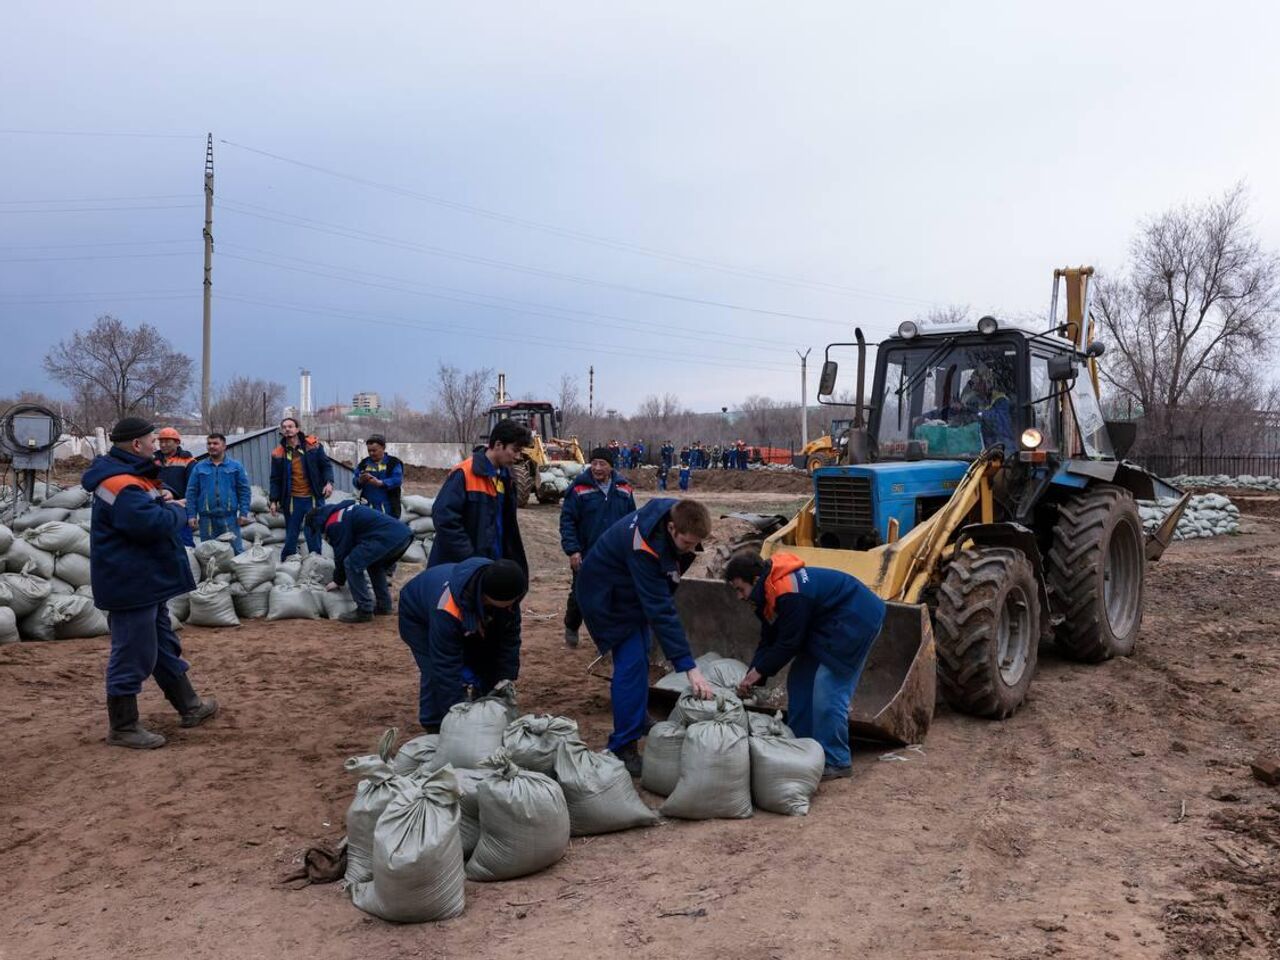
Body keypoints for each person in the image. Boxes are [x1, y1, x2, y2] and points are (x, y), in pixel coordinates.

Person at [82, 417, 218, 749]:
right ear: (136, 445)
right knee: (133, 653)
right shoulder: (120, 484)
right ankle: (123, 726)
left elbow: (144, 511)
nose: (156, 445)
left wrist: (160, 497)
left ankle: (190, 705)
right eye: (151, 440)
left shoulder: (128, 478)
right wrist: (177, 511)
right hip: (131, 582)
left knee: (161, 646)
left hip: (143, 579)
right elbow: (149, 525)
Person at [576, 498, 715, 774]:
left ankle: (638, 719)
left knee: (641, 652)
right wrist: (688, 667)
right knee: (631, 665)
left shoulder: (674, 514)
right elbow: (661, 609)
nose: (690, 549)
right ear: (672, 528)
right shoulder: (644, 545)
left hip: (629, 590)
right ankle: (623, 747)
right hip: (607, 598)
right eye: (687, 543)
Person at [724, 549, 886, 780]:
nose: (739, 596)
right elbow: (769, 638)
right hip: (826, 622)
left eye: (740, 589)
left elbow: (789, 643)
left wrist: (758, 672)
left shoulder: (789, 593)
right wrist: (754, 673)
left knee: (826, 691)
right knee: (799, 682)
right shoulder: (767, 593)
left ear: (756, 580)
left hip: (855, 619)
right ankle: (800, 747)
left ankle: (836, 760)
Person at [398, 557, 526, 731]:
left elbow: (509, 641)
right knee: (433, 669)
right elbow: (445, 665)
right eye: (507, 604)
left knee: (484, 658)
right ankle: (434, 724)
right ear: (487, 598)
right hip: (418, 617)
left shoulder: (508, 596)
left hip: (463, 609)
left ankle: (485, 703)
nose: (512, 607)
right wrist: (457, 714)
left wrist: (503, 680)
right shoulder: (447, 607)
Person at [558, 447, 637, 648]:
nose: (597, 468)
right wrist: (573, 550)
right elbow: (567, 521)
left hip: (616, 555)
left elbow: (632, 520)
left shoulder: (624, 489)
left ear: (611, 467)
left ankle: (606, 638)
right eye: (594, 463)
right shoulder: (578, 489)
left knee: (613, 596)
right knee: (580, 594)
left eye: (602, 464)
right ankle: (571, 625)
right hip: (587, 553)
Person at [429, 418, 530, 572]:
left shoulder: (507, 478)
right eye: (515, 450)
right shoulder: (464, 473)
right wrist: (470, 558)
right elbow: (444, 519)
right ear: (498, 445)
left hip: (491, 565)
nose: (518, 457)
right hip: (461, 568)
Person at [308, 501, 414, 622]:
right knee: (374, 565)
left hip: (387, 537)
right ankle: (384, 606)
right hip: (403, 536)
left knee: (351, 563)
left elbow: (342, 553)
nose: (321, 533)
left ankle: (364, 610)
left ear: (318, 521)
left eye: (317, 530)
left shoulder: (334, 522)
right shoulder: (341, 513)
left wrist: (338, 581)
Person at [269, 417, 334, 559]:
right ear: (282, 431)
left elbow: (326, 466)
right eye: (284, 427)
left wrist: (329, 482)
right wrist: (273, 500)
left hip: (313, 497)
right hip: (292, 500)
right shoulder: (278, 453)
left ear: (297, 429)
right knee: (292, 532)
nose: (287, 429)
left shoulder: (313, 446)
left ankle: (315, 561)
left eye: (290, 426)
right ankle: (288, 560)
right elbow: (275, 479)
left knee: (313, 530)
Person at [185, 432, 252, 553]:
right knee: (208, 554)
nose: (211, 446)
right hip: (207, 521)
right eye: (209, 443)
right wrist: (191, 515)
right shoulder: (199, 467)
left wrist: (243, 512)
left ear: (224, 446)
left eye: (215, 443)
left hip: (229, 519)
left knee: (235, 551)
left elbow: (244, 491)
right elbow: (191, 493)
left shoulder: (236, 466)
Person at [153, 427, 196, 546]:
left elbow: (194, 487)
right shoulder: (153, 461)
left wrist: (185, 502)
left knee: (184, 542)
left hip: (181, 507)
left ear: (177, 442)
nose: (163, 445)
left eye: (167, 441)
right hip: (158, 507)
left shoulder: (188, 461)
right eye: (161, 441)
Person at [353, 434, 404, 517]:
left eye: (374, 450)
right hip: (367, 507)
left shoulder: (393, 463)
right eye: (369, 451)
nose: (371, 453)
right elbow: (355, 480)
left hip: (388, 508)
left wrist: (381, 483)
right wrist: (360, 480)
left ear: (383, 448)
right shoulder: (364, 464)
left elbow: (397, 480)